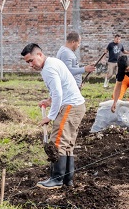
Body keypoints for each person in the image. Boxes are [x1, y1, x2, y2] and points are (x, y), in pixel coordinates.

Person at [21, 43, 86, 189]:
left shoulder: (49, 68)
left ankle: (56, 179)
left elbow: (58, 93)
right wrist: (49, 101)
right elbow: (58, 89)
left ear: (39, 54)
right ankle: (67, 180)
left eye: (31, 60)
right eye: (27, 63)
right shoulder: (51, 64)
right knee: (67, 144)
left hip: (70, 106)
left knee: (58, 141)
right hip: (76, 106)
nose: (30, 65)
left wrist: (50, 117)